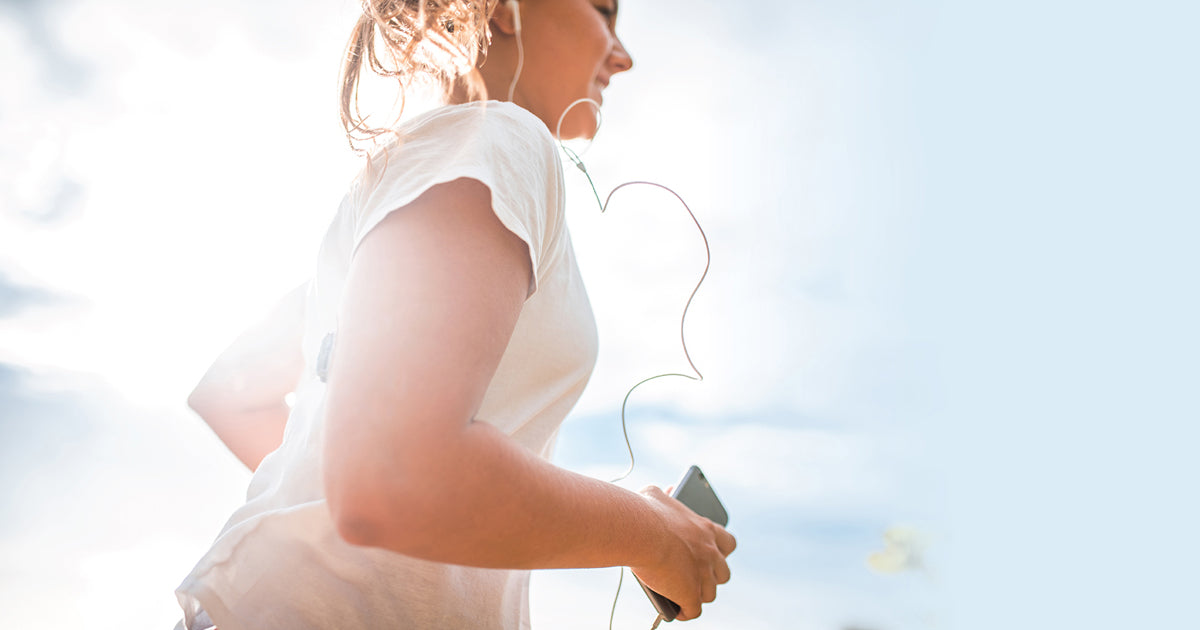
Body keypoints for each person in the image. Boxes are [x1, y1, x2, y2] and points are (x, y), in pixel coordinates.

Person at [175, 1, 735, 628]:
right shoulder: (501, 138)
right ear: (502, 10)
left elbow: (232, 394)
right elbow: (393, 474)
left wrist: (373, 522)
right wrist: (651, 534)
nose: (622, 54)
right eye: (603, 10)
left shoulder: (410, 192)